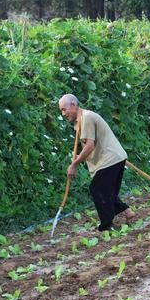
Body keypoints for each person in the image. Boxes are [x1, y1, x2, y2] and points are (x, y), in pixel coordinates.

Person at [58, 94, 135, 232]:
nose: (63, 114)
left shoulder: (86, 117)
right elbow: (88, 145)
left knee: (97, 189)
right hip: (112, 158)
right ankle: (127, 212)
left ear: (74, 105)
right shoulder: (79, 121)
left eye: (64, 109)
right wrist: (77, 157)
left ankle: (106, 226)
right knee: (105, 191)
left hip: (110, 159)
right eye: (61, 111)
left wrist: (74, 164)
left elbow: (89, 146)